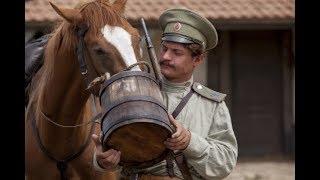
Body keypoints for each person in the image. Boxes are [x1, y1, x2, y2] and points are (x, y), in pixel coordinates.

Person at [92, 8, 238, 180]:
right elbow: (109, 147)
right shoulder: (130, 92)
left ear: (197, 59)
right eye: (165, 48)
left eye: (177, 52)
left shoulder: (212, 105)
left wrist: (190, 142)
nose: (166, 56)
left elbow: (224, 165)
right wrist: (102, 161)